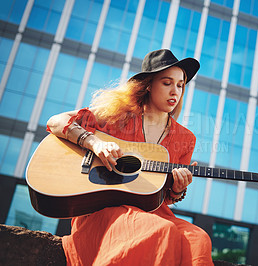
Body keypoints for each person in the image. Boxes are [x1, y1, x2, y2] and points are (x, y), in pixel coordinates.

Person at [46, 49, 213, 265]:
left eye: (180, 85)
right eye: (167, 83)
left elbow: (164, 197)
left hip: (155, 213)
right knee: (160, 231)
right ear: (148, 85)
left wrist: (177, 189)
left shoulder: (186, 138)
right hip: (104, 208)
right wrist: (95, 143)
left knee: (198, 239)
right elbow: (55, 122)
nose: (175, 91)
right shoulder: (118, 115)